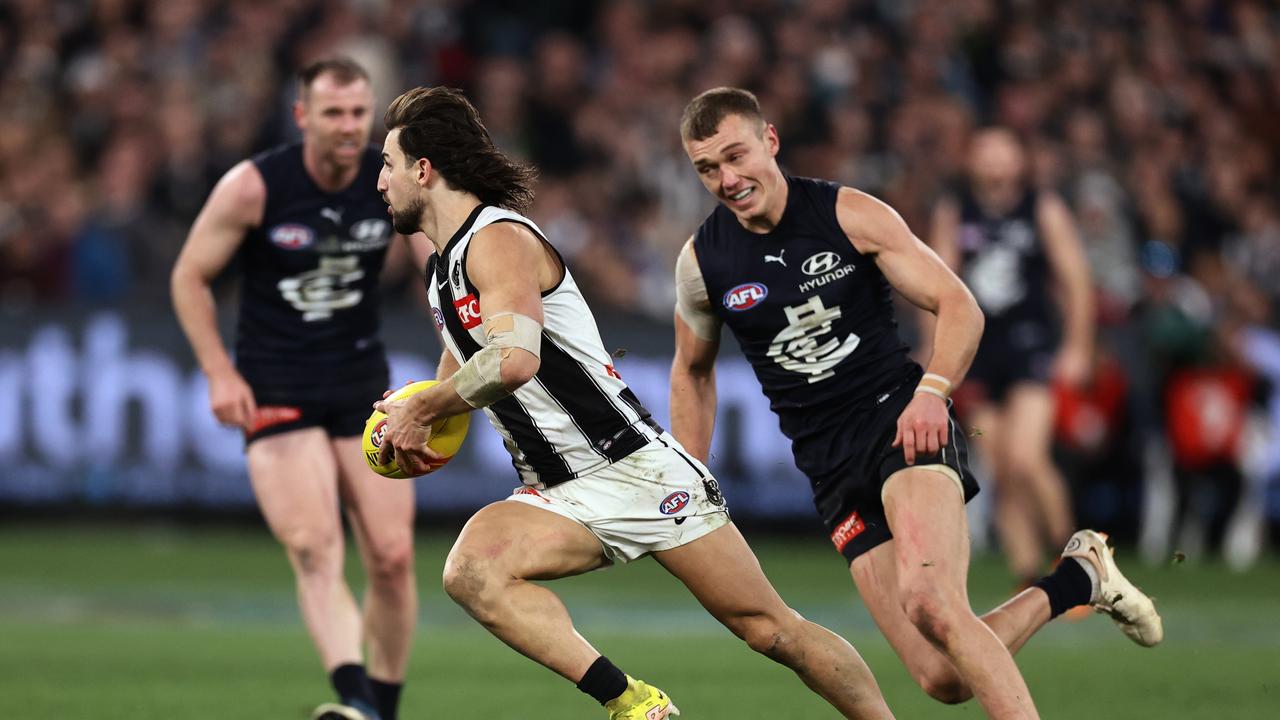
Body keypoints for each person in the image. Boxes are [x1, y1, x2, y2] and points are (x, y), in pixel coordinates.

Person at [372, 85, 895, 720]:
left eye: (388, 163)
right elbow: (465, 360)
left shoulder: (497, 239)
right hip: (555, 488)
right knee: (472, 573)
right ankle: (633, 703)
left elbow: (513, 360)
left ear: (423, 170)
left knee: (771, 631)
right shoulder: (444, 268)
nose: (381, 181)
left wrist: (422, 410)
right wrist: (432, 422)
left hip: (632, 466)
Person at [668, 87, 1163, 720]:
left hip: (901, 421)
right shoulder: (702, 262)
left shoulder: (849, 213)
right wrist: (691, 474)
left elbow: (959, 304)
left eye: (736, 156)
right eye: (707, 168)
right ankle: (1080, 577)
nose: (727, 179)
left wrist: (932, 392)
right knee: (940, 677)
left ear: (770, 141)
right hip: (828, 466)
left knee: (931, 600)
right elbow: (692, 370)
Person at [171, 58, 428, 720]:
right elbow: (190, 276)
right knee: (316, 548)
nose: (348, 127)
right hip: (275, 383)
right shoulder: (254, 187)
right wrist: (218, 371)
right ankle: (354, 700)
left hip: (360, 385)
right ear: (302, 116)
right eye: (333, 113)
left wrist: (453, 363)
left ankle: (379, 712)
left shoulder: (391, 179)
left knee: (395, 558)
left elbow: (441, 268)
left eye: (358, 113)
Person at [928, 128, 1095, 586]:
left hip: (1031, 349)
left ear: (1021, 161)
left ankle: (1076, 560)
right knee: (999, 466)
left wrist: (1078, 346)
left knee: (1026, 458)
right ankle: (1029, 576)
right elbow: (937, 286)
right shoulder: (955, 210)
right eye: (986, 153)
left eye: (1005, 152)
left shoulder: (1042, 207)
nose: (997, 163)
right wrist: (936, 360)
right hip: (978, 356)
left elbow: (1077, 279)